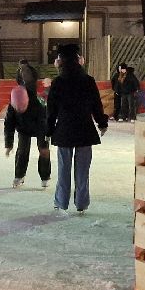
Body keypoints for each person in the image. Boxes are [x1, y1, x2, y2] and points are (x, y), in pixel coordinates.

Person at [45, 44, 107, 214]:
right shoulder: (88, 80)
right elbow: (96, 105)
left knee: (63, 170)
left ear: (62, 61)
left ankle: (61, 202)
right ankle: (81, 203)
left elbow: (51, 110)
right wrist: (102, 123)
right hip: (85, 130)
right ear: (77, 60)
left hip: (64, 131)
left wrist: (48, 130)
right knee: (83, 171)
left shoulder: (58, 82)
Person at [4, 73, 50, 189]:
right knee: (22, 151)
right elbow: (9, 125)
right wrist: (9, 144)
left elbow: (45, 122)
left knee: (44, 151)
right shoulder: (12, 106)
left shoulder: (39, 105)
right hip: (23, 128)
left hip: (40, 128)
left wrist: (46, 138)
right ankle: (19, 175)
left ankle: (45, 177)